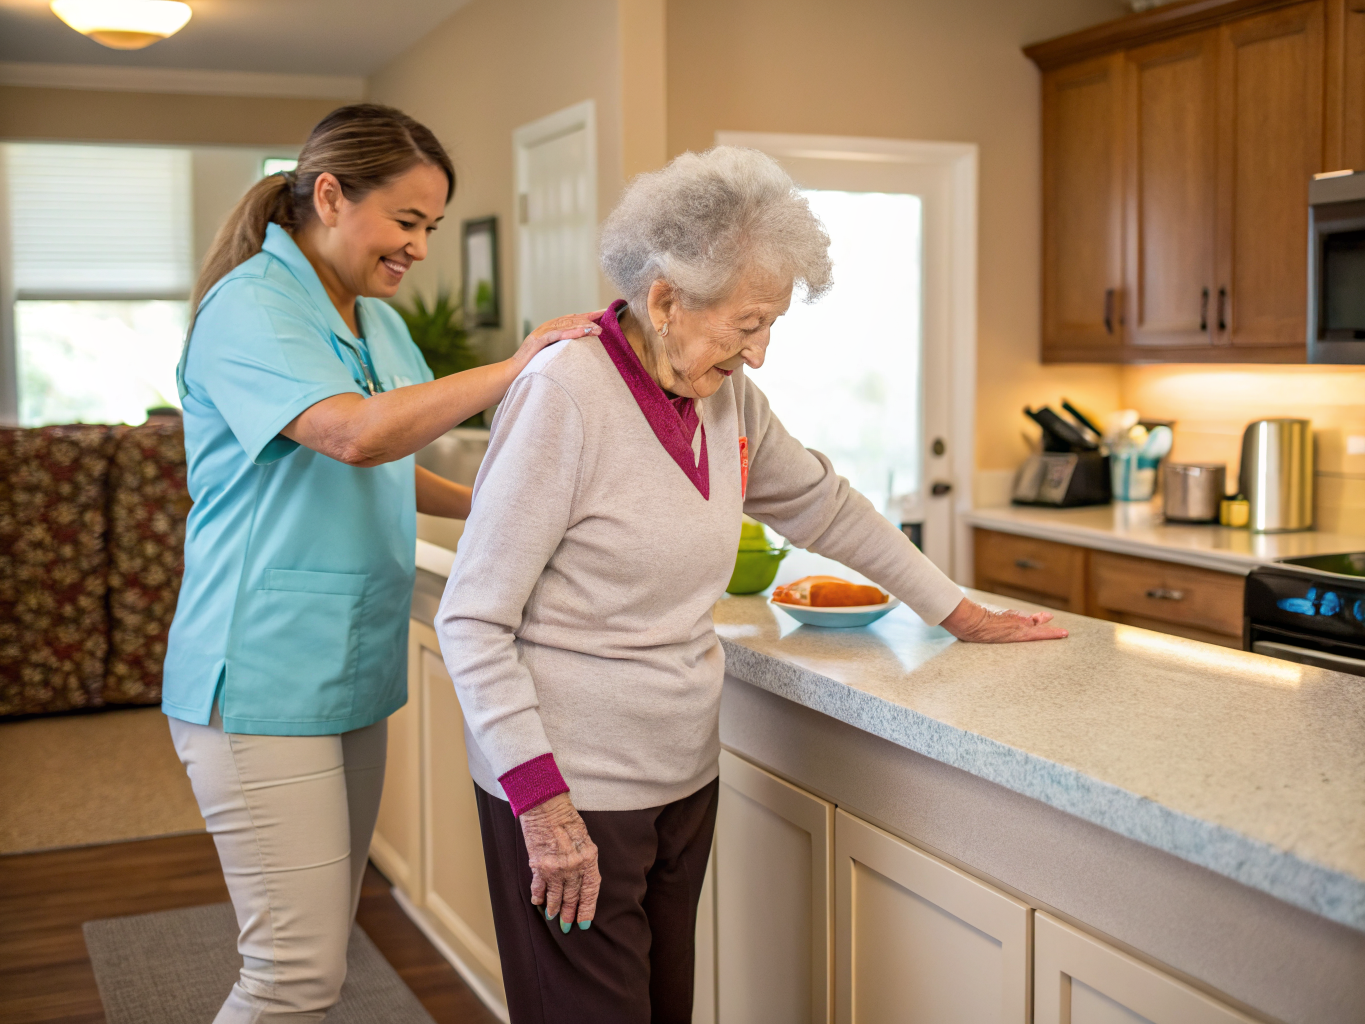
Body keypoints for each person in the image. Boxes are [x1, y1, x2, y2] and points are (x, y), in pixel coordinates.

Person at [435, 146, 1067, 1024]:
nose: (760, 353)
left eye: (772, 323)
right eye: (746, 323)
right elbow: (471, 619)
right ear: (664, 299)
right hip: (566, 789)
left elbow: (826, 508)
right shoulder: (564, 394)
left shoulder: (723, 397)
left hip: (679, 777)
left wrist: (957, 610)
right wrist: (539, 804)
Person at [161, 103, 600, 1023]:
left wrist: (498, 508)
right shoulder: (250, 306)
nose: (420, 249)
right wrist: (521, 364)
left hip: (348, 670)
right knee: (292, 974)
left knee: (315, 958)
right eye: (407, 222)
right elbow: (352, 436)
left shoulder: (377, 323)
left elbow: (396, 458)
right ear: (330, 195)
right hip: (258, 674)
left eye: (431, 228)